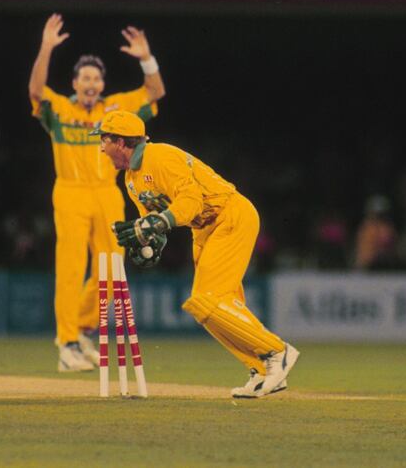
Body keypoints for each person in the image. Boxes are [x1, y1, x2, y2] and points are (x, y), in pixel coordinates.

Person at [91, 110, 299, 398]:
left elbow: (191, 200)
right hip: (204, 230)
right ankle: (262, 369)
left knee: (207, 300)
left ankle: (277, 351)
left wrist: (159, 222)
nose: (101, 148)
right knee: (208, 309)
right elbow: (154, 222)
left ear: (121, 142)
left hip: (229, 215)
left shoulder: (160, 157)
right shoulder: (130, 180)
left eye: (104, 140)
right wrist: (149, 243)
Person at [28, 13, 166, 372]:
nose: (91, 83)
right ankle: (67, 343)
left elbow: (155, 92)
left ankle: (83, 328)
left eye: (96, 78)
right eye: (85, 78)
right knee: (71, 267)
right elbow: (36, 91)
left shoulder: (114, 110)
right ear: (75, 83)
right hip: (71, 192)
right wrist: (46, 48)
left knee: (112, 267)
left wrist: (146, 58)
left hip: (107, 192)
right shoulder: (60, 109)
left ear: (102, 83)